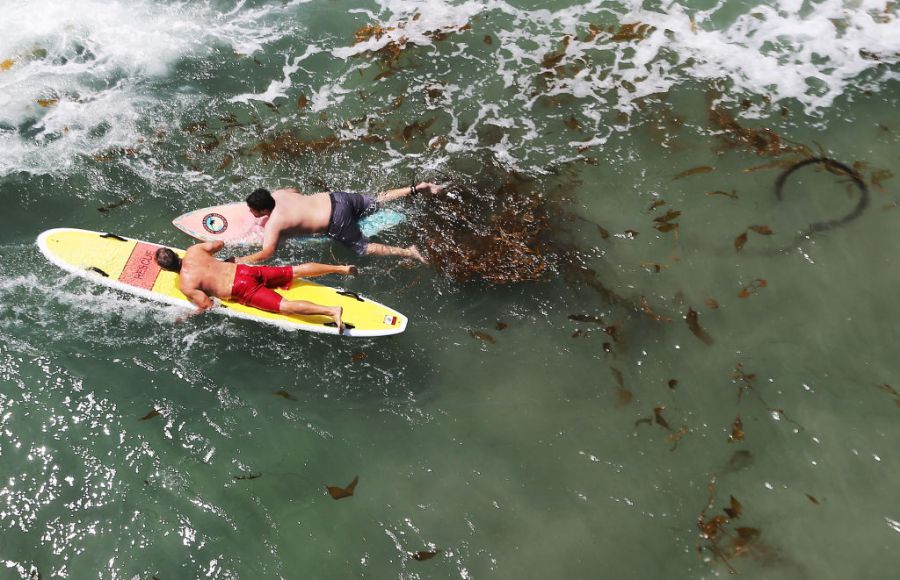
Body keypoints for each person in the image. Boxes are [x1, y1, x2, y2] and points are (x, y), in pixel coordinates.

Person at [155, 240, 356, 333]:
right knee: (295, 271)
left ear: (166, 270)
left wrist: (187, 315)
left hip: (241, 289)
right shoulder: (193, 251)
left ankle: (331, 311)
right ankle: (341, 268)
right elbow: (219, 244)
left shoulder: (186, 284)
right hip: (244, 271)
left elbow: (208, 305)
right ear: (176, 254)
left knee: (284, 306)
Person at [234, 182, 445, 265]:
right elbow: (295, 189)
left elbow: (266, 253)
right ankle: (420, 187)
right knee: (378, 199)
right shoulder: (280, 194)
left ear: (264, 211)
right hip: (338, 198)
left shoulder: (274, 224)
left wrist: (238, 260)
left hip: (336, 221)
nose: (250, 212)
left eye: (253, 210)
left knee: (363, 248)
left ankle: (410, 252)